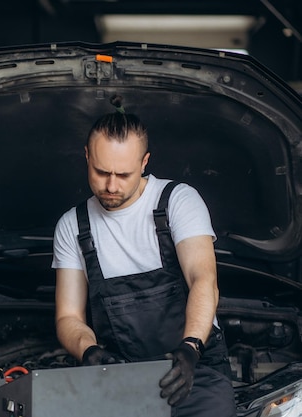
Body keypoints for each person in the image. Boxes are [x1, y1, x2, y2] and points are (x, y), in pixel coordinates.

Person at [52, 103, 236, 417]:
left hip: (194, 371)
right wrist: (89, 351)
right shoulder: (73, 226)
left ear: (144, 162)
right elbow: (68, 316)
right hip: (120, 377)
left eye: (123, 174)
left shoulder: (177, 201)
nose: (111, 185)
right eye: (101, 172)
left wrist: (191, 348)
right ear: (86, 156)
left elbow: (203, 281)